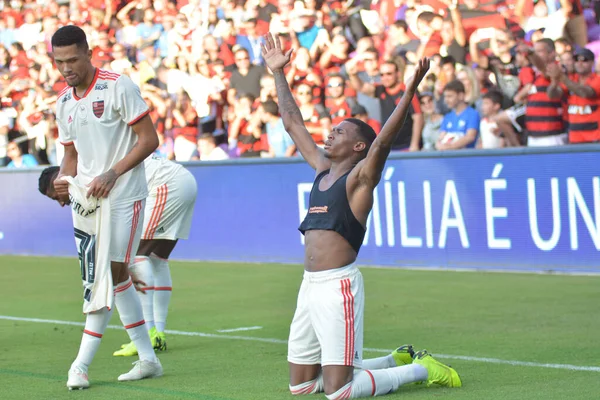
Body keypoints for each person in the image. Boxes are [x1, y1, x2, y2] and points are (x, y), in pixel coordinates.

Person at [261, 32, 461, 399]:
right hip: (309, 287)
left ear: (357, 146)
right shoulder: (322, 168)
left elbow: (383, 141)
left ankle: (419, 369)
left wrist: (410, 89)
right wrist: (278, 73)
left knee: (339, 392)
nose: (329, 133)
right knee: (302, 386)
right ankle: (392, 358)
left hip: (339, 287)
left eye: (339, 131)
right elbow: (292, 122)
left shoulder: (360, 180)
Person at [50, 25, 163, 390]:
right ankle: (148, 359)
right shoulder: (63, 103)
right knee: (111, 275)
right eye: (59, 62)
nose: (66, 68)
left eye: (71, 59)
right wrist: (63, 183)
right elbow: (70, 156)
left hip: (125, 193)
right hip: (87, 201)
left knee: (107, 271)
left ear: (87, 52)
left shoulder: (118, 85)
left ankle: (80, 365)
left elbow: (149, 139)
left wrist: (113, 173)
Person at [39, 155, 198, 358]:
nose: (61, 203)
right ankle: (158, 333)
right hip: (182, 180)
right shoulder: (90, 163)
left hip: (164, 184)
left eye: (56, 197)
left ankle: (149, 334)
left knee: (138, 256)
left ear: (59, 182)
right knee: (158, 259)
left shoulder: (86, 175)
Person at [435, 80, 480, 150]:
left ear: (461, 96)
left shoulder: (472, 114)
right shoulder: (447, 117)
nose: (446, 100)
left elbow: (470, 137)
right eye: (445, 97)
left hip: (466, 157)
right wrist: (439, 145)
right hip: (448, 158)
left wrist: (450, 147)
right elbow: (440, 138)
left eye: (450, 96)